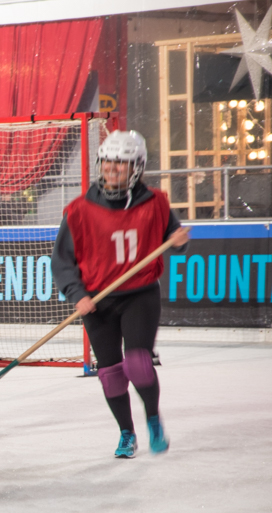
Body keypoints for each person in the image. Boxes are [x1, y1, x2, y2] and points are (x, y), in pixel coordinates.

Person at [52, 130, 189, 458]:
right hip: (97, 301)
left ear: (136, 167)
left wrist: (179, 240)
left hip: (139, 294)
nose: (112, 169)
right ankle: (126, 433)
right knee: (111, 374)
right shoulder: (78, 210)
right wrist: (77, 294)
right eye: (108, 162)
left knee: (139, 363)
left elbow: (173, 238)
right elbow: (62, 262)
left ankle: (153, 419)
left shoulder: (155, 202)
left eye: (121, 163)